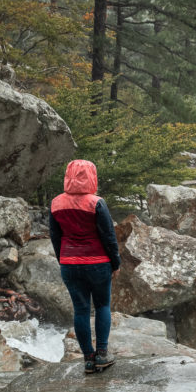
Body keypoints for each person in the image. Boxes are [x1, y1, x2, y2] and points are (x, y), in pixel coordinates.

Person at [49, 159, 121, 374]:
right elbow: (108, 236)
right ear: (92, 176)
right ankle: (102, 354)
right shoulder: (96, 203)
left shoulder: (56, 203)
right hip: (98, 263)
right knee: (102, 306)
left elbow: (55, 236)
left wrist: (62, 259)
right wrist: (115, 262)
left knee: (80, 310)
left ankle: (88, 360)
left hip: (69, 264)